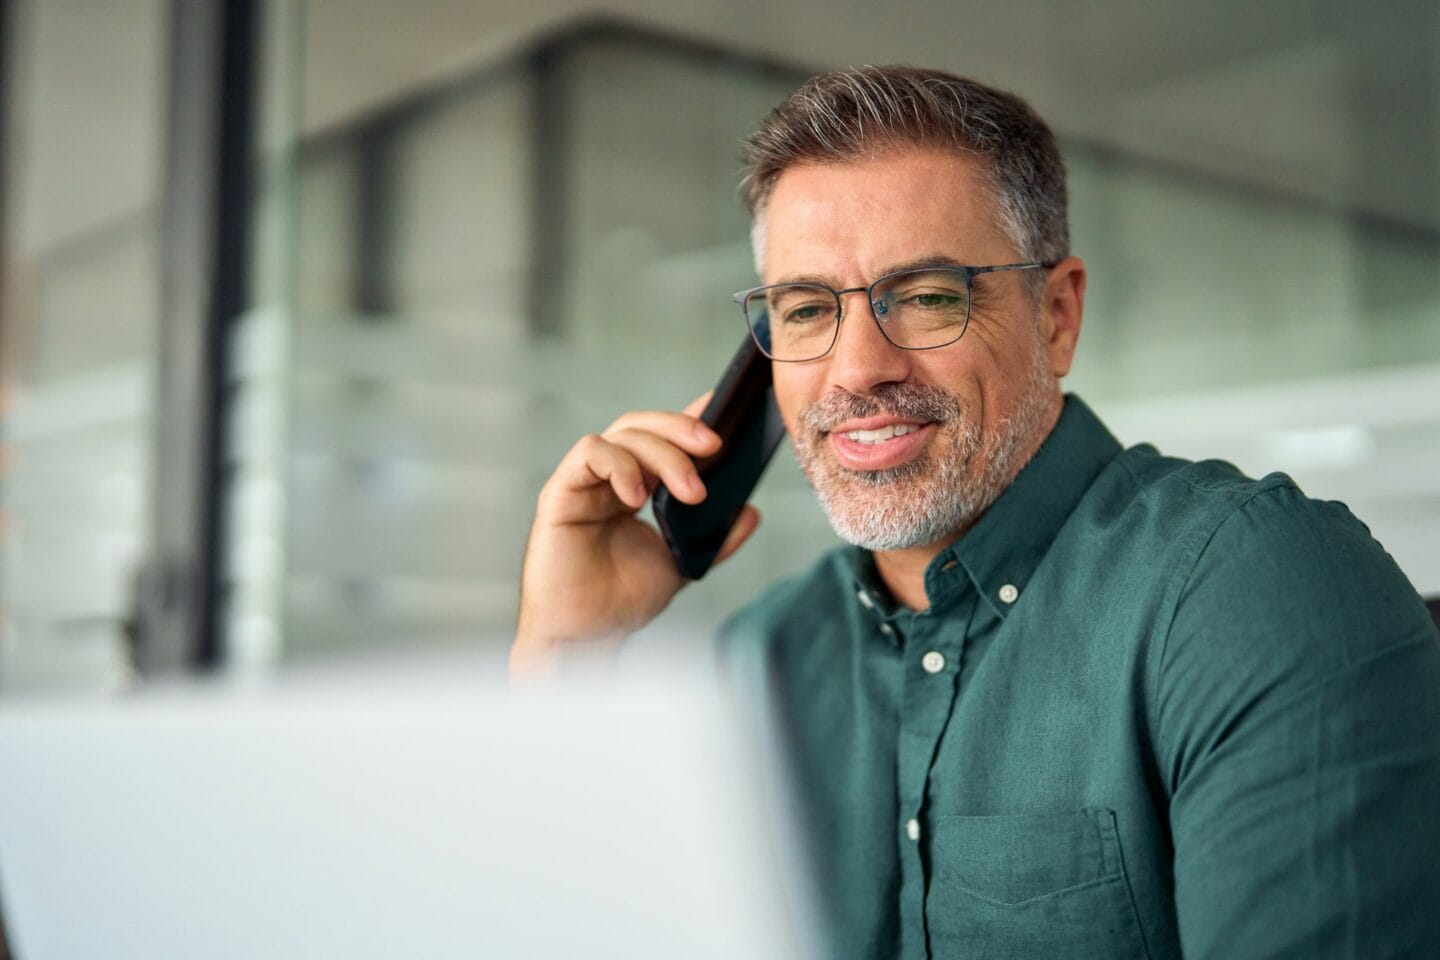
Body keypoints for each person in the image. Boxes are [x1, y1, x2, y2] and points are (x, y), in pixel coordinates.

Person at [513, 66, 1440, 958]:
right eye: (804, 311)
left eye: (924, 297)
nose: (857, 369)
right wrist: (564, 652)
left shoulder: (1253, 587)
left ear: (1058, 316)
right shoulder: (755, 661)